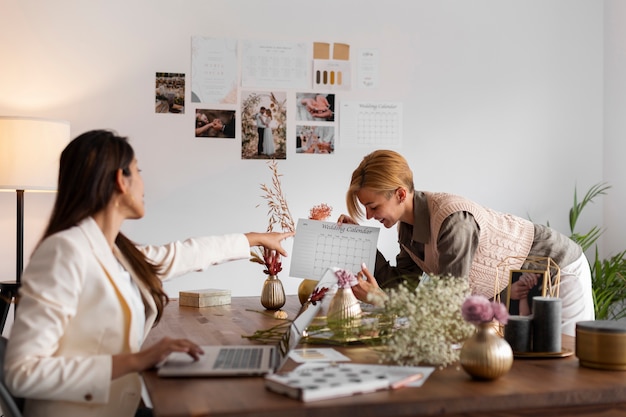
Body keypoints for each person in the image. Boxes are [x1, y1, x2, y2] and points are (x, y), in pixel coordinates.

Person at [4, 129, 294, 417]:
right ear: (121, 180)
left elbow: (181, 254)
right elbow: (22, 372)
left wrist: (253, 238)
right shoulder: (64, 252)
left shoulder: (116, 249)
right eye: (137, 171)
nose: (143, 183)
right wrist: (137, 360)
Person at [337, 149, 594, 336]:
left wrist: (381, 299)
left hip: (558, 268)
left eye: (372, 206)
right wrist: (361, 242)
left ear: (400, 194)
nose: (369, 216)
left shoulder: (453, 221)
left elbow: (449, 304)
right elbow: (402, 286)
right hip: (519, 283)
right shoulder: (407, 229)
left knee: (567, 362)